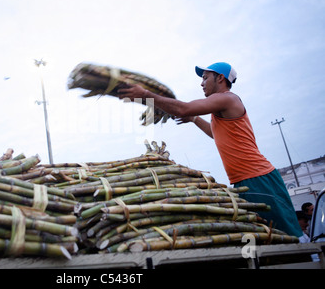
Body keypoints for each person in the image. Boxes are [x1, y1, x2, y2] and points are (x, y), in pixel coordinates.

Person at [117, 62, 303, 237]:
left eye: (205, 78)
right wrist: (195, 120)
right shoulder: (221, 107)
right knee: (268, 234)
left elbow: (183, 108)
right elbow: (216, 135)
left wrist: (146, 95)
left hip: (258, 178)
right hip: (246, 179)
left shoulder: (227, 99)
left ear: (220, 78)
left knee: (284, 232)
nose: (201, 83)